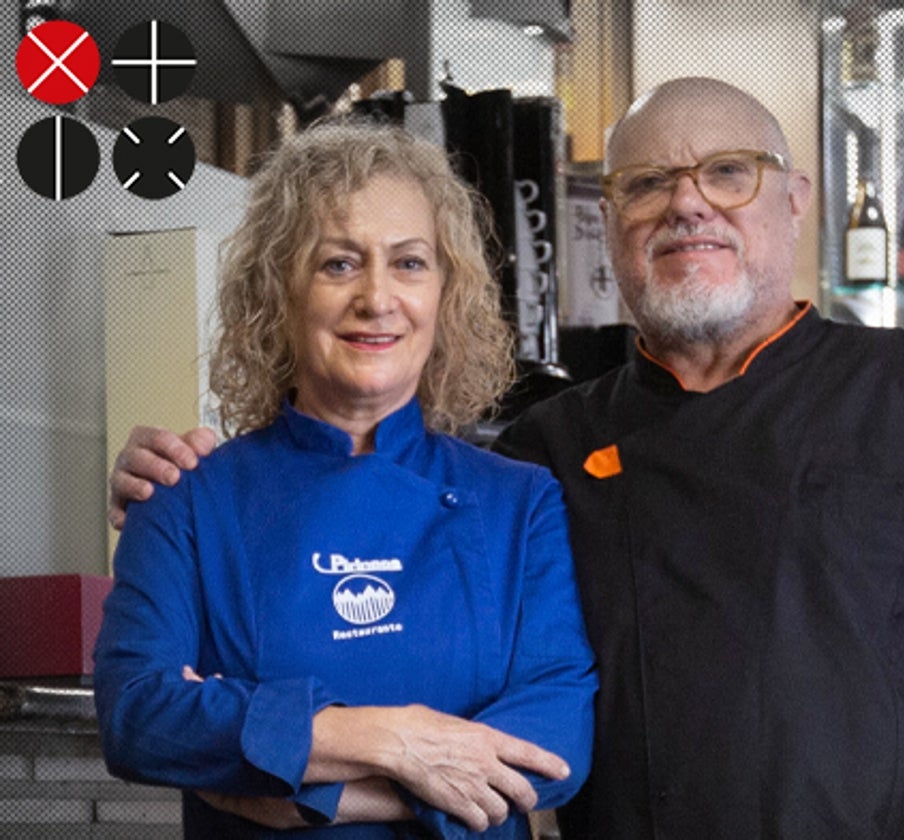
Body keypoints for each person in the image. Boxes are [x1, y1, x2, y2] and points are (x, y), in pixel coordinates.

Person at [108, 78, 904, 839]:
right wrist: (171, 482)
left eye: (729, 172)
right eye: (646, 184)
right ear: (612, 226)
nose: (688, 203)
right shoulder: (548, 449)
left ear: (794, 201)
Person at [94, 119, 596, 840]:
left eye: (410, 263)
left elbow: (555, 738)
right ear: (279, 290)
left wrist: (313, 794)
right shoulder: (185, 498)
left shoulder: (519, 502)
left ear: (446, 294)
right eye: (338, 264)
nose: (377, 297)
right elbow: (138, 714)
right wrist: (394, 739)